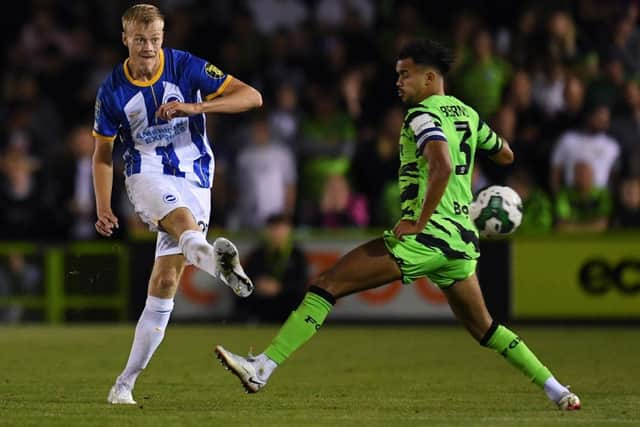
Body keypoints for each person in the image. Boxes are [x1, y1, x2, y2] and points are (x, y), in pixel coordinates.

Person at [215, 39, 581, 411]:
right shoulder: (467, 114)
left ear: (430, 77)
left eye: (406, 74)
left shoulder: (422, 115)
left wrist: (418, 221)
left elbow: (440, 165)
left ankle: (262, 366)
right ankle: (557, 389)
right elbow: (505, 153)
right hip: (462, 244)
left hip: (426, 236)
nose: (399, 82)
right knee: (485, 328)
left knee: (326, 285)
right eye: (397, 74)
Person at [92, 4, 262, 405]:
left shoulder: (186, 67)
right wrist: (102, 204)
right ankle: (214, 258)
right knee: (182, 221)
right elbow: (102, 153)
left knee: (166, 282)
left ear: (162, 37)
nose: (148, 47)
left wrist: (197, 106)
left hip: (197, 176)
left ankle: (124, 384)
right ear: (125, 39)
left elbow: (251, 97)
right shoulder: (112, 89)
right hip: (145, 173)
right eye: (139, 40)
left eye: (154, 39)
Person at [233, 213, 309, 324]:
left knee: (301, 297)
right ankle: (246, 322)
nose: (277, 233)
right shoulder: (258, 254)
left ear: (289, 230)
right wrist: (259, 284)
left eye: (281, 228)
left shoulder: (297, 255)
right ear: (267, 231)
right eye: (273, 228)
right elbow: (247, 276)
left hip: (287, 300)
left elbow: (301, 282)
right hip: (262, 299)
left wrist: (280, 288)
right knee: (242, 292)